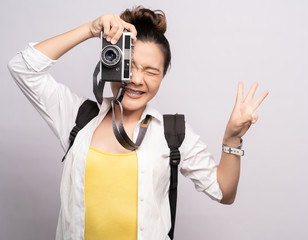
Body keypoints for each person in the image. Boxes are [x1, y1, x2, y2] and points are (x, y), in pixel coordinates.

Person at [8, 6, 269, 240]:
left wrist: (231, 139)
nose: (136, 79)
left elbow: (224, 192)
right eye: (128, 66)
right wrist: (89, 30)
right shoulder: (78, 118)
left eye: (150, 71)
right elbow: (22, 67)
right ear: (109, 62)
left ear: (162, 76)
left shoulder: (172, 133)